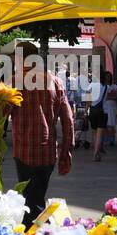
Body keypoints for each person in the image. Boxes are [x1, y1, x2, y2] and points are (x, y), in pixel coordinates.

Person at [11, 44, 73, 224]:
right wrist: (66, 150)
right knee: (36, 196)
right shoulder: (55, 81)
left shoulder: (15, 82)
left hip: (24, 151)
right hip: (47, 153)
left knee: (32, 202)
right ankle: (37, 234)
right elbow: (68, 119)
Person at [86, 70, 112, 162]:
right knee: (99, 135)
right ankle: (95, 154)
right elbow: (109, 97)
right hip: (103, 112)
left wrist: (85, 111)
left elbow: (88, 100)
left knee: (94, 133)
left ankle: (97, 154)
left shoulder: (92, 85)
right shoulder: (107, 87)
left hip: (93, 112)